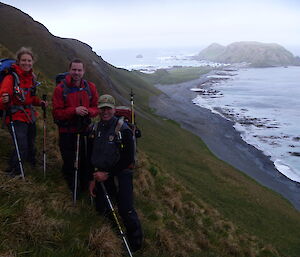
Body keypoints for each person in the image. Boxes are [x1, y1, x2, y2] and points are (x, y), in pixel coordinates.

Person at [88, 94, 143, 252]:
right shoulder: (95, 128)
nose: (105, 111)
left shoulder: (123, 130)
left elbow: (128, 158)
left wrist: (108, 174)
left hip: (121, 174)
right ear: (98, 109)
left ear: (114, 109)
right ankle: (112, 233)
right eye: (102, 108)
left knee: (126, 208)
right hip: (101, 175)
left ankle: (135, 243)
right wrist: (92, 178)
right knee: (102, 208)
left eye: (108, 108)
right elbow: (91, 155)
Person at [52, 58, 99, 195]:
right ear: (69, 70)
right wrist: (74, 110)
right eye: (74, 69)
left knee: (85, 160)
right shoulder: (60, 89)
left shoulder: (90, 87)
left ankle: (84, 186)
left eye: (79, 70)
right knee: (69, 160)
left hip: (84, 130)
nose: (76, 73)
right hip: (67, 132)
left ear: (83, 71)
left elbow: (96, 107)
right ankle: (72, 187)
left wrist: (88, 111)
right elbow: (57, 113)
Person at [0, 47, 47, 176]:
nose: (26, 63)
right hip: (15, 116)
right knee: (21, 144)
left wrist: (39, 102)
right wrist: (5, 100)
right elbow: (2, 98)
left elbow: (29, 98)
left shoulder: (31, 77)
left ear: (32, 62)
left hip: (29, 116)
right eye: (24, 60)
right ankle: (14, 170)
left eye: (29, 60)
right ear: (18, 61)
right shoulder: (10, 78)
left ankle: (29, 162)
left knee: (30, 141)